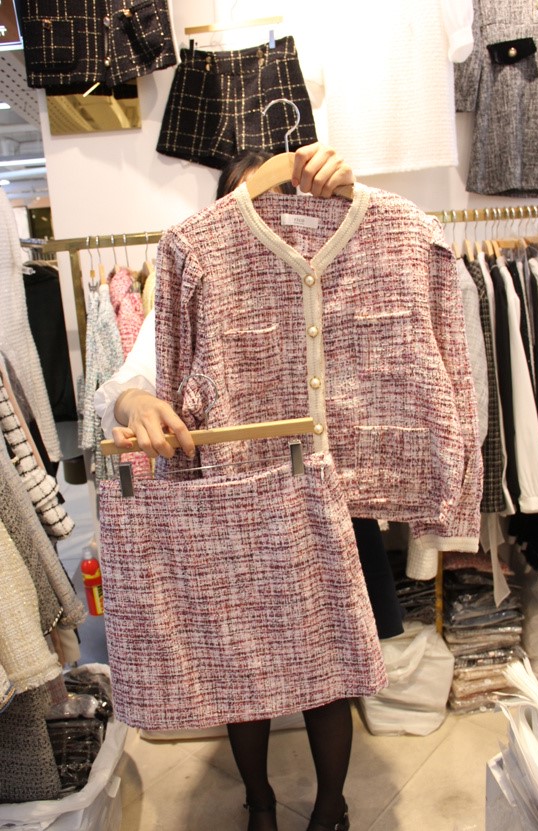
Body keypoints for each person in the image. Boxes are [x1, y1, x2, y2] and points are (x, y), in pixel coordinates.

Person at [95, 143, 384, 831]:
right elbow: (128, 381)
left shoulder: (337, 258)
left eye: (276, 198)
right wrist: (139, 404)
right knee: (240, 662)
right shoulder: (200, 270)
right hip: (232, 506)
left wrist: (355, 196)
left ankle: (331, 809)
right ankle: (259, 803)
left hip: (325, 498)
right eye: (246, 204)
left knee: (330, 665)